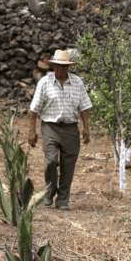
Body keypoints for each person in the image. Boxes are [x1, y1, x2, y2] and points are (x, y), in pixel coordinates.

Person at [28, 50, 92, 211]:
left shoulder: (77, 82)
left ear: (68, 68)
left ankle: (63, 200)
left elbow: (84, 107)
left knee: (68, 165)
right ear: (53, 66)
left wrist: (86, 128)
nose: (60, 70)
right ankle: (49, 191)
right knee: (51, 161)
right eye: (58, 66)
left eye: (64, 67)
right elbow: (34, 109)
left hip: (71, 128)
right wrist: (32, 131)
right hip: (50, 127)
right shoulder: (45, 82)